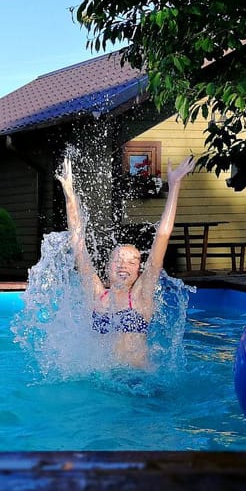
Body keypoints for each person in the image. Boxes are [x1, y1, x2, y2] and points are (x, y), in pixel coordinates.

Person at [55, 153, 196, 368]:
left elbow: (162, 235)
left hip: (138, 379)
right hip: (104, 379)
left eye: (132, 262)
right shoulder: (97, 294)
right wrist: (69, 196)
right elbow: (78, 243)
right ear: (107, 267)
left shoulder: (141, 294)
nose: (123, 265)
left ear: (139, 270)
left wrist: (174, 184)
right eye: (118, 260)